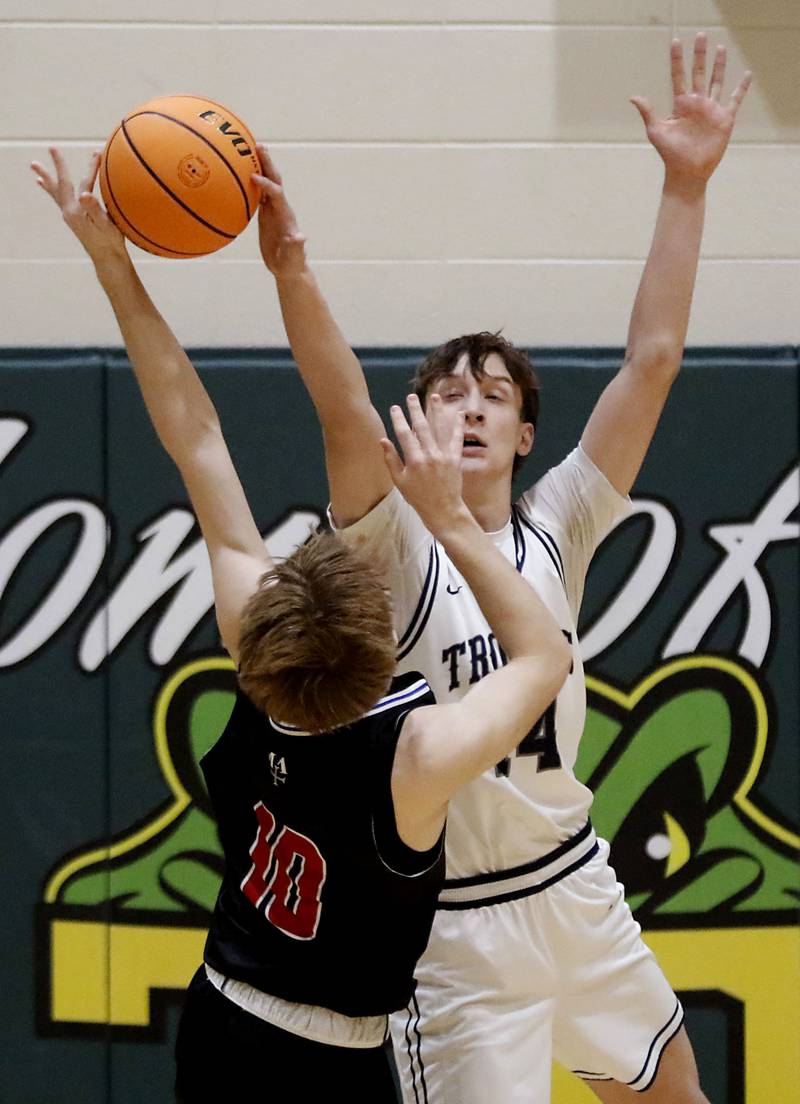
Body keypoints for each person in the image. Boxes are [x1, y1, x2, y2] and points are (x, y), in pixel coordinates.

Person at [253, 33, 752, 1104]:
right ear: (415, 425)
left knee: (677, 1096)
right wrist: (293, 272)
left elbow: (651, 360)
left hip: (574, 882)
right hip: (455, 928)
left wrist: (684, 186)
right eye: (448, 391)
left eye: (493, 394)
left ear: (525, 434)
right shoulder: (389, 538)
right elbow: (338, 402)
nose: (471, 403)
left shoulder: (560, 520)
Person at [31, 149, 571, 1102]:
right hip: (333, 1053)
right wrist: (448, 522)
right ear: (380, 636)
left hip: (225, 1013)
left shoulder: (259, 666)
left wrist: (112, 263)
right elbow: (543, 652)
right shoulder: (414, 757)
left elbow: (194, 435)